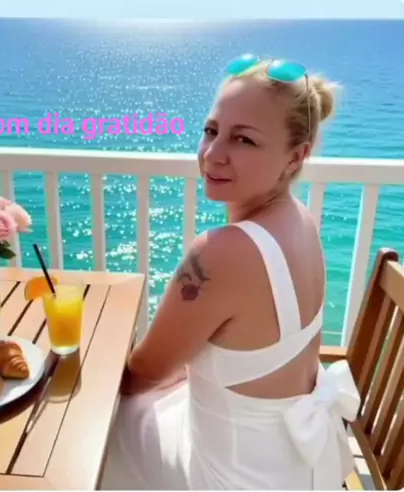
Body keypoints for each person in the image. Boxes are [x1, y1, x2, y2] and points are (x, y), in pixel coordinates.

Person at [100, 54, 361, 490]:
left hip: (230, 478)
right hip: (294, 465)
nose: (213, 154)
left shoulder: (223, 252)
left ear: (296, 156)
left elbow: (144, 373)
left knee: (95, 430)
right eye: (211, 130)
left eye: (244, 140)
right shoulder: (300, 221)